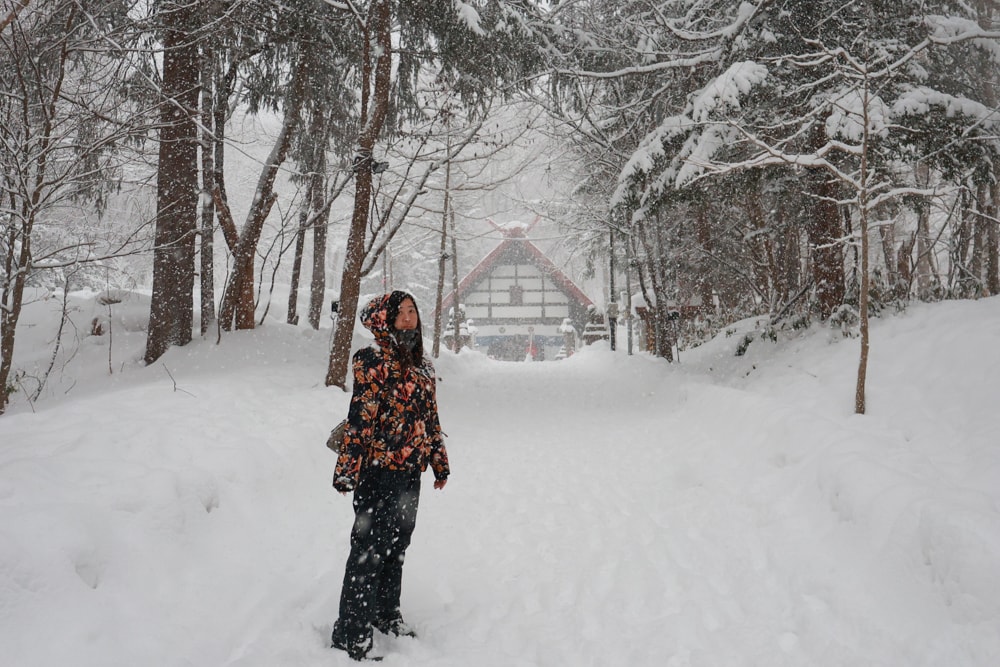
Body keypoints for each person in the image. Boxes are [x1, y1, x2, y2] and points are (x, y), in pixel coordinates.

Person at [330, 290, 450, 661]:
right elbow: (360, 418)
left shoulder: (422, 365)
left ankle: (385, 613)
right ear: (384, 319)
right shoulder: (371, 361)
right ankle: (351, 632)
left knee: (397, 546)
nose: (409, 317)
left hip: (410, 472)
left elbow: (430, 418)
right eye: (401, 312)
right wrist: (348, 468)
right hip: (377, 473)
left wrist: (439, 460)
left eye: (413, 311)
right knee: (368, 549)